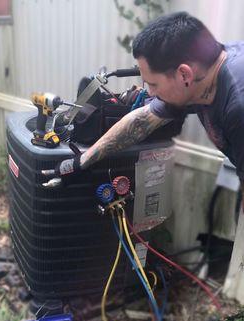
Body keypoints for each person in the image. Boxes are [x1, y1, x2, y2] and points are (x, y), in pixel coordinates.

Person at [43, 11, 244, 207]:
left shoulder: (238, 106)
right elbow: (141, 121)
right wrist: (80, 162)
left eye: (153, 85)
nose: (151, 93)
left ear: (184, 75)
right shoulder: (203, 73)